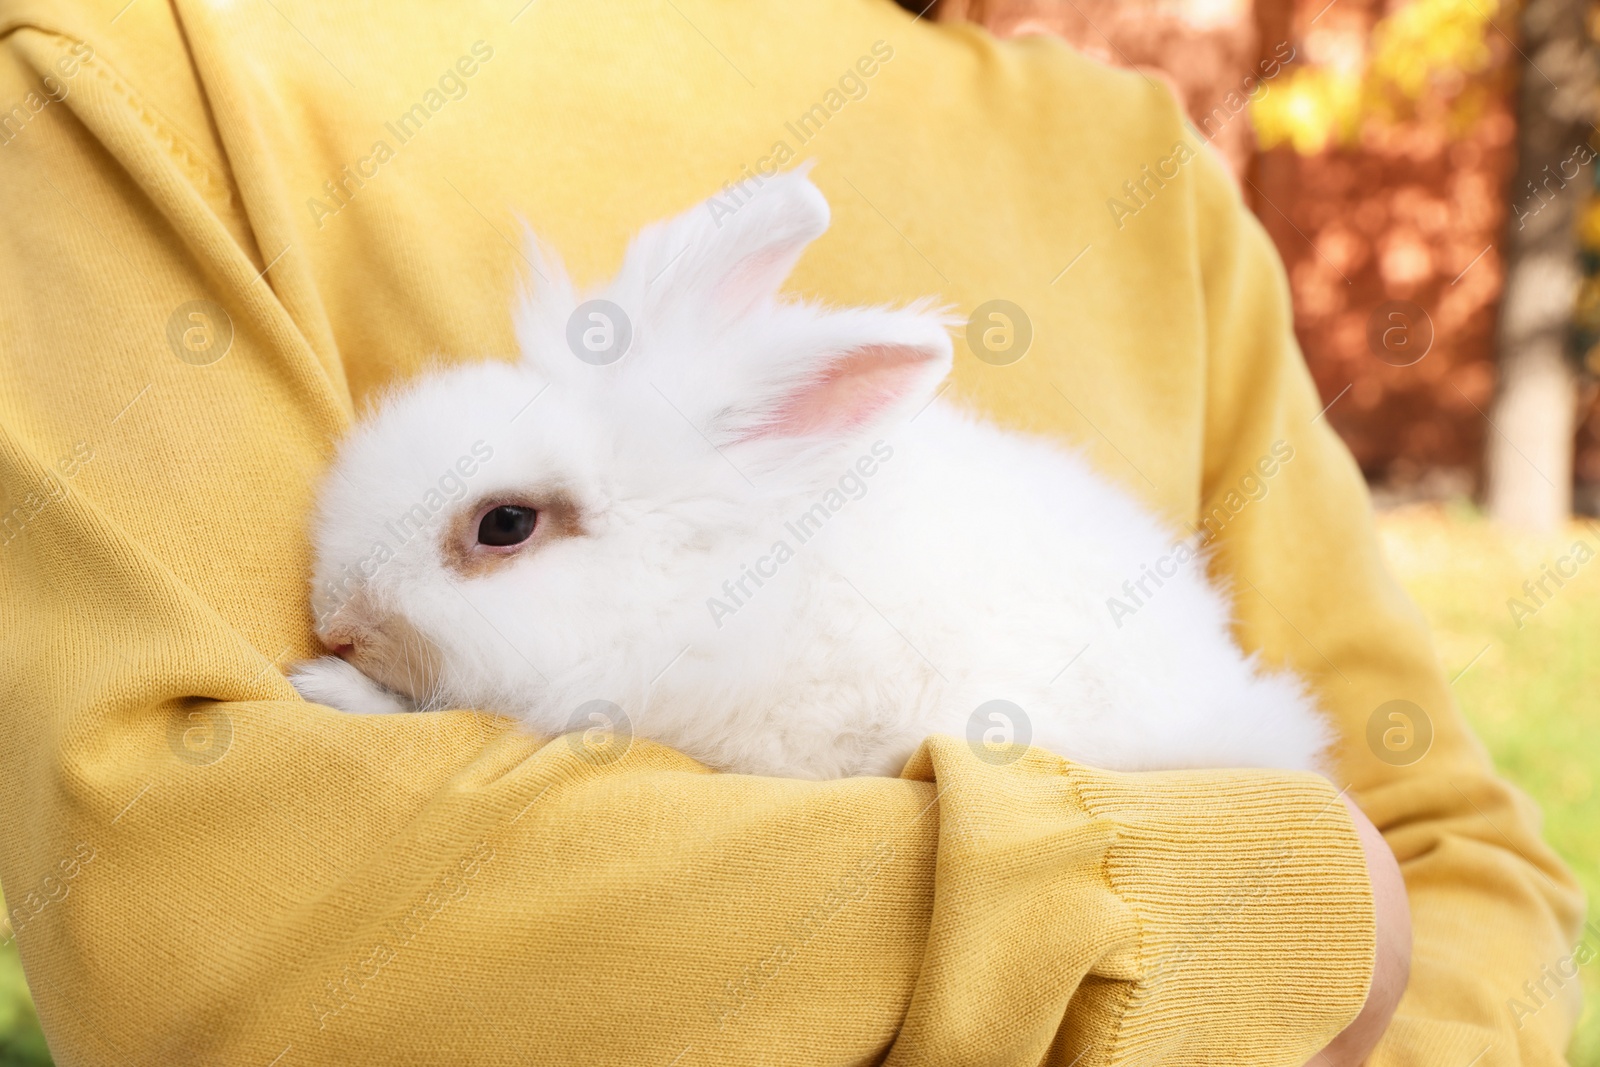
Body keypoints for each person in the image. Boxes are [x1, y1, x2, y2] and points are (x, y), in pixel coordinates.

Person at [0, 0, 1581, 1063]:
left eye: (499, 532)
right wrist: (1240, 921)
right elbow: (188, 900)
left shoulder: (1139, 169)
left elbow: (1459, 865)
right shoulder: (133, 72)